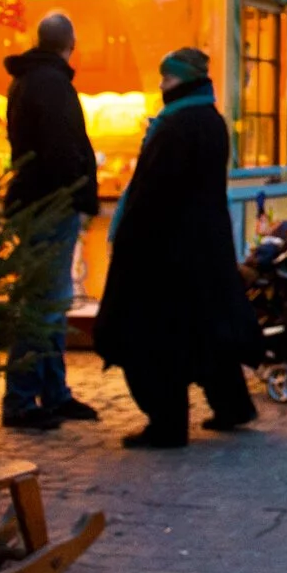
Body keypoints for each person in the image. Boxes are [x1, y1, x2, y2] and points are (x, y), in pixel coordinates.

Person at [95, 48, 265, 448]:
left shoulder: (175, 127)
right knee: (207, 330)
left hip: (165, 252)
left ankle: (167, 423)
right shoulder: (210, 119)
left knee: (156, 338)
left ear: (182, 79)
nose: (161, 85)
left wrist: (129, 243)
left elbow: (154, 193)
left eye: (167, 79)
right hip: (205, 244)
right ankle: (233, 405)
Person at [1, 12, 102, 431]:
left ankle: (52, 392)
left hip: (35, 201)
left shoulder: (29, 80)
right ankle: (23, 398)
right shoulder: (53, 84)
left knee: (51, 299)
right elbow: (63, 148)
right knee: (44, 302)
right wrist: (78, 192)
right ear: (70, 43)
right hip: (50, 204)